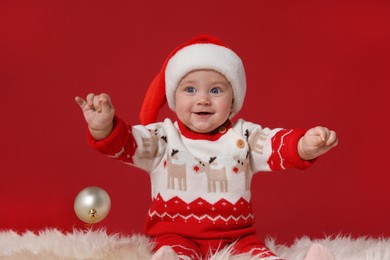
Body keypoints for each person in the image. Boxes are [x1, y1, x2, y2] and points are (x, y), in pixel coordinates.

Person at [75, 35, 338, 260]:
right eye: (190, 89)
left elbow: (275, 144)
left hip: (237, 237)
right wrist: (103, 127)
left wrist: (305, 144)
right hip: (175, 233)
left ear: (233, 98)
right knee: (172, 252)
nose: (202, 99)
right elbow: (126, 144)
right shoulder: (164, 137)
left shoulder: (244, 136)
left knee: (257, 255)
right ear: (173, 98)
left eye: (215, 90)